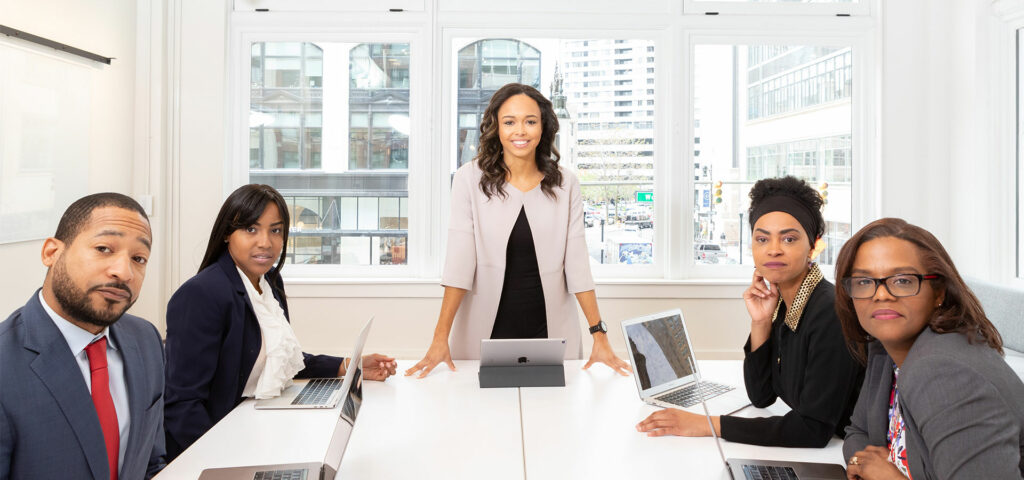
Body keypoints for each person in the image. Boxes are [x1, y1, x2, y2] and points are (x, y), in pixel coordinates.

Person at [405, 83, 630, 377]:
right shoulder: (468, 179)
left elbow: (577, 265)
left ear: (543, 127)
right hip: (483, 332)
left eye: (530, 122)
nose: (520, 131)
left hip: (549, 331)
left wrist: (599, 336)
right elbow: (458, 264)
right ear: (496, 128)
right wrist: (439, 338)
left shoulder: (566, 183)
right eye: (509, 122)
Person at [163, 184, 397, 459]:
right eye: (251, 229)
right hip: (217, 442)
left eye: (275, 230)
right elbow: (182, 405)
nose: (266, 242)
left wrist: (348, 366)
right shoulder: (201, 294)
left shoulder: (269, 280)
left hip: (255, 424)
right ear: (227, 233)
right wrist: (221, 462)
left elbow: (281, 358)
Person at [637, 176, 864, 447]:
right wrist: (761, 323)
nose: (774, 250)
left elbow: (812, 430)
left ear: (813, 245)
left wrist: (707, 424)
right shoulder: (783, 302)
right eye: (762, 239)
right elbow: (762, 396)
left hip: (850, 454)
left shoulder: (830, 311)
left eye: (789, 239)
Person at [836, 218, 1024, 479]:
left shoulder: (945, 372)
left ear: (939, 293)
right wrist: (861, 460)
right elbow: (858, 432)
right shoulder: (884, 350)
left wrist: (889, 477)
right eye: (864, 282)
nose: (881, 295)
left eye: (902, 280)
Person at [0, 193, 166, 479]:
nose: (124, 272)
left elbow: (152, 462)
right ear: (51, 253)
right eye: (103, 248)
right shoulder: (6, 361)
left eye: (139, 258)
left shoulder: (146, 339)